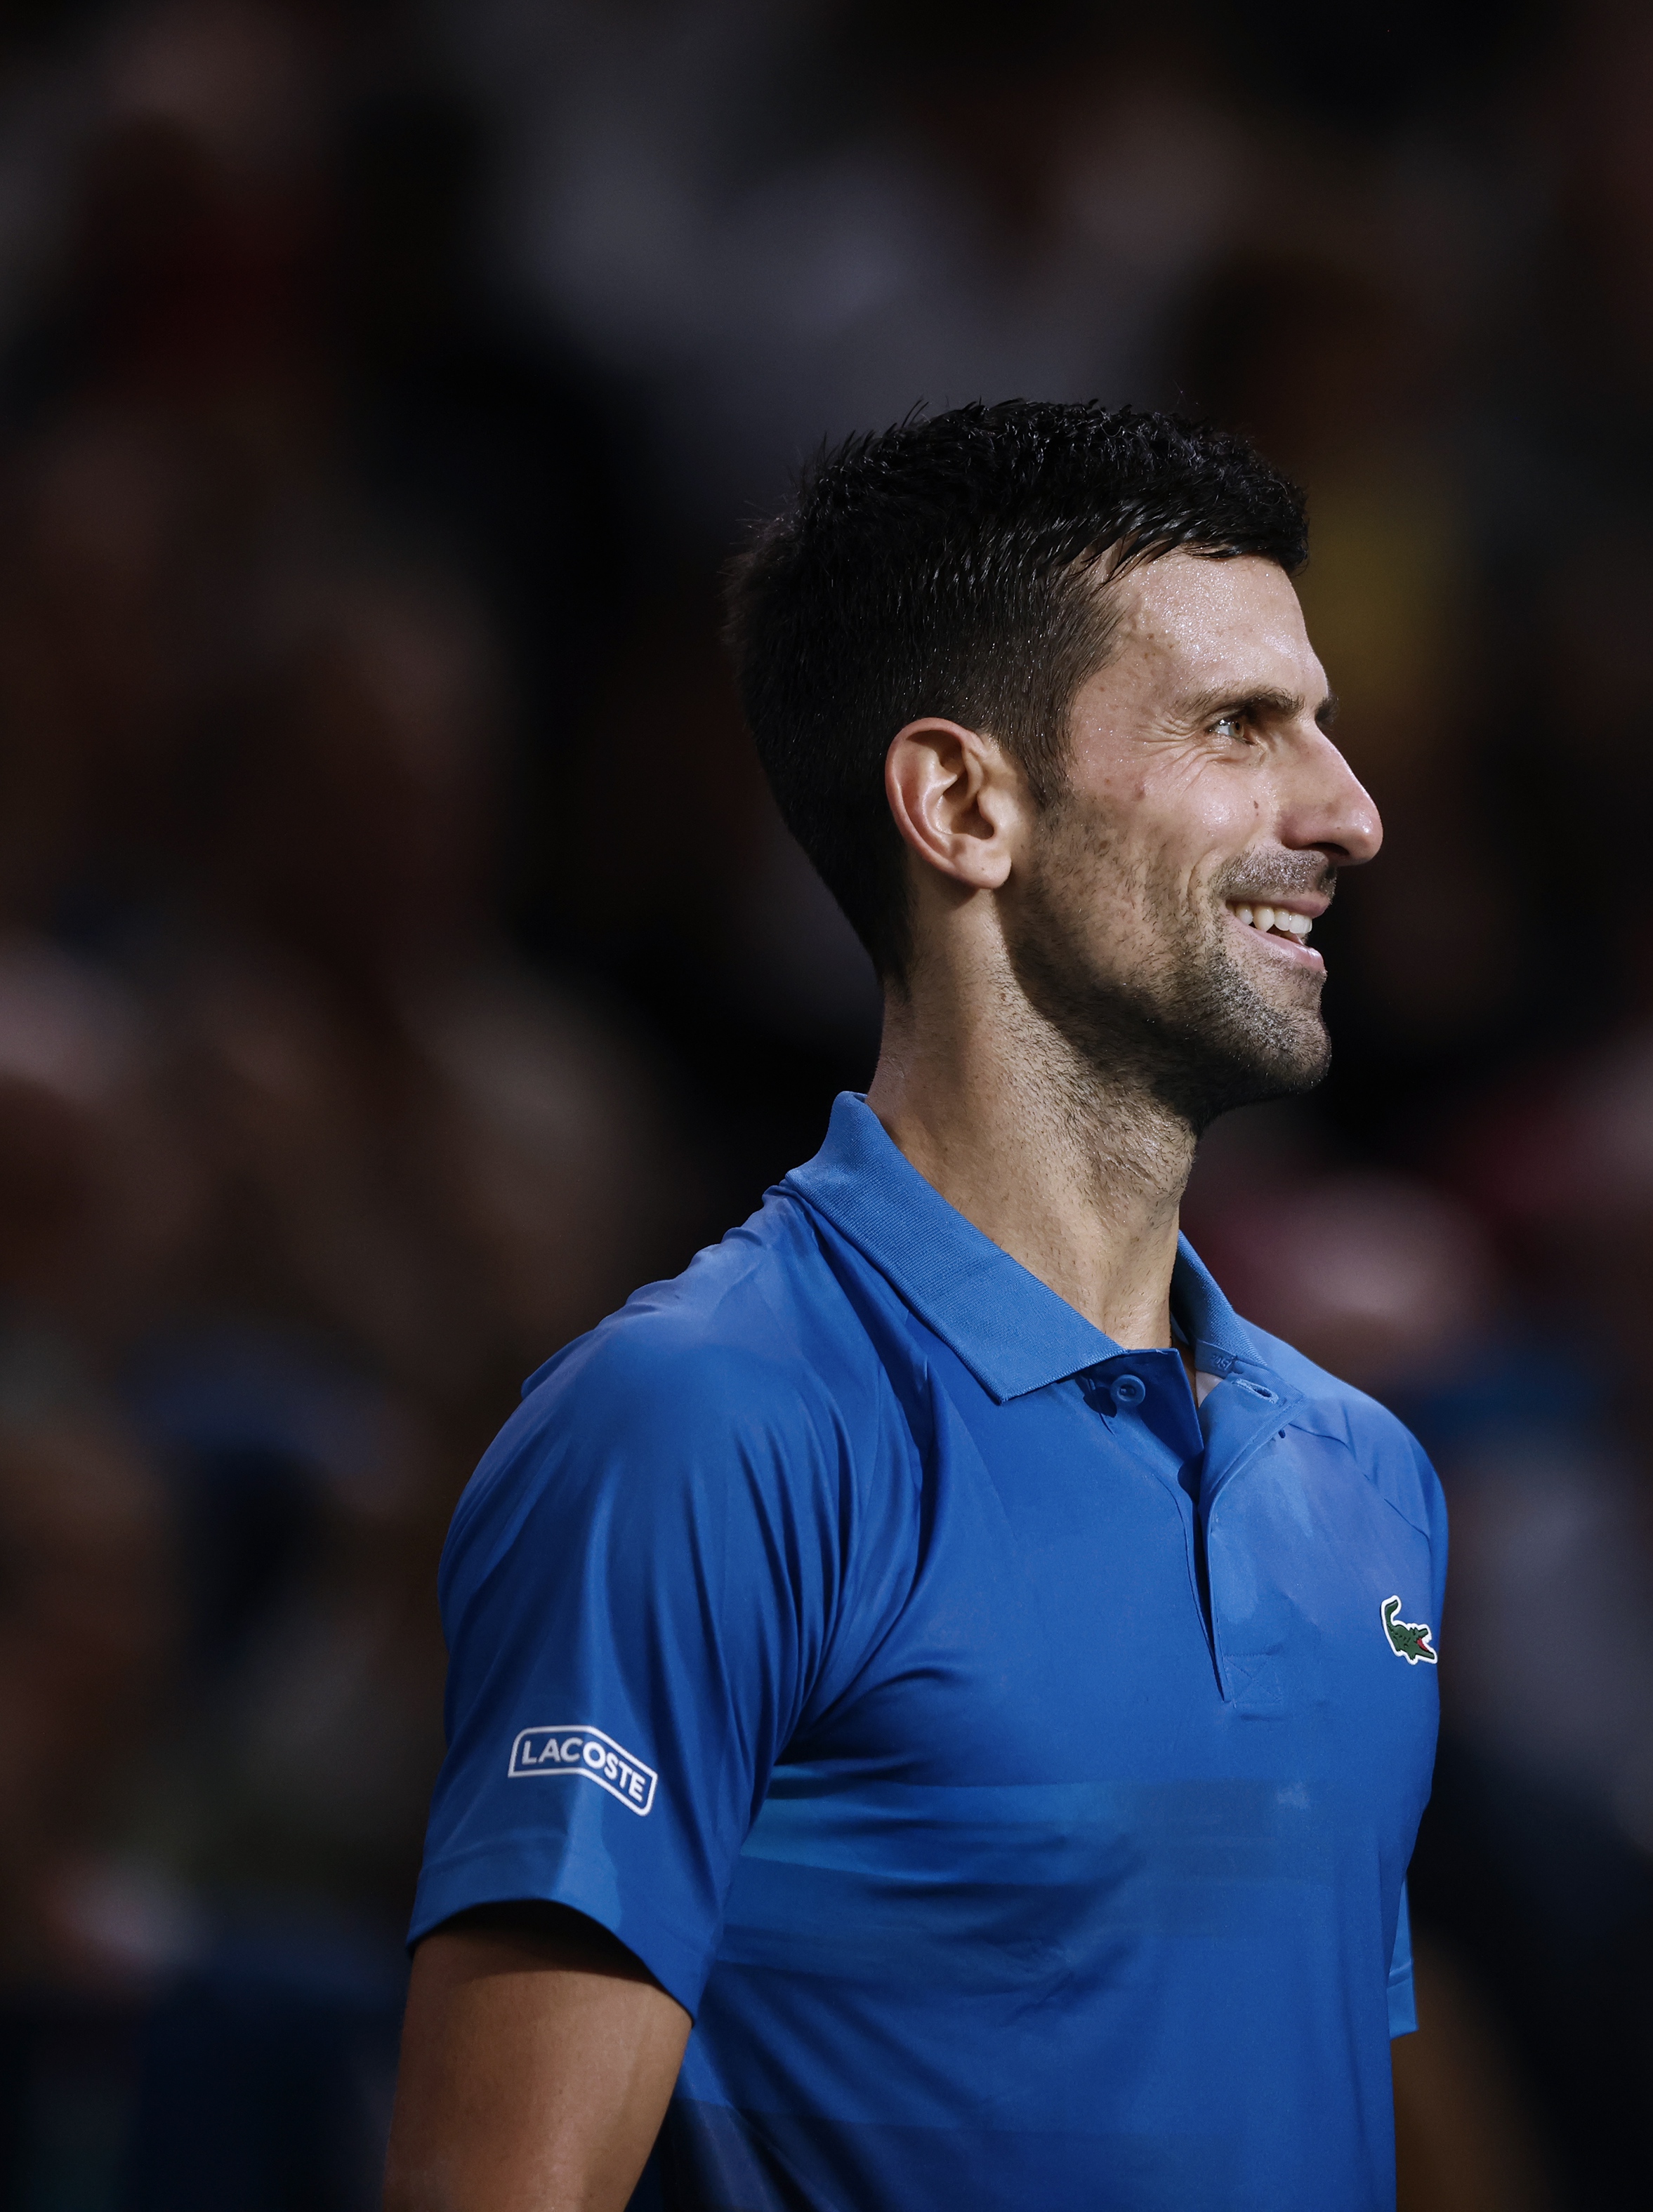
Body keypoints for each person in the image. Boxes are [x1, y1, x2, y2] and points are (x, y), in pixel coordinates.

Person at [380, 402, 1434, 2211]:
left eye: (1318, 726)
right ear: (964, 802)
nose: (1346, 811)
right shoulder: (695, 1430)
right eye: (1238, 725)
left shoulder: (1368, 1479)